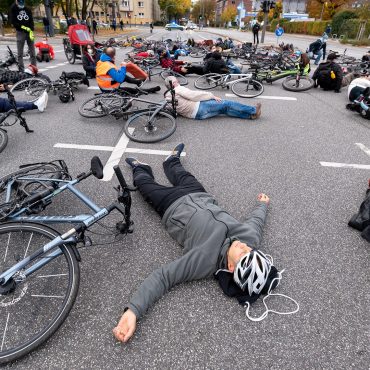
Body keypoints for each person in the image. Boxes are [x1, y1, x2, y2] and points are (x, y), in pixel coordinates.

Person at [112, 143, 294, 343]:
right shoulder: (249, 238)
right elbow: (256, 222)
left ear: (232, 267)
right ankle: (171, 161)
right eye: (251, 251)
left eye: (243, 255)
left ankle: (140, 167)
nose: (244, 247)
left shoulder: (204, 261)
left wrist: (133, 311)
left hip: (171, 206)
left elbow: (164, 277)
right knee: (179, 172)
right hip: (200, 194)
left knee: (142, 183)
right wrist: (263, 204)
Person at [164, 76, 261, 120]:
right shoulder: (177, 89)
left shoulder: (167, 96)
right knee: (227, 103)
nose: (178, 82)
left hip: (195, 116)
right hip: (199, 108)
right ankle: (253, 110)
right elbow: (193, 95)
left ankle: (249, 116)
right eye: (176, 81)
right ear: (173, 83)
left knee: (224, 110)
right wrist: (211, 96)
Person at [9, 0, 37, 72]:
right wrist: (23, 27)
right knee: (20, 54)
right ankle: (22, 70)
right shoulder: (13, 8)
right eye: (20, 3)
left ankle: (34, 68)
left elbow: (31, 20)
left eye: (23, 3)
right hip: (20, 32)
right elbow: (13, 22)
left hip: (29, 32)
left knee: (32, 52)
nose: (22, 5)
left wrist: (31, 29)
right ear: (16, 1)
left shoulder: (27, 9)